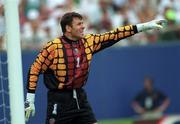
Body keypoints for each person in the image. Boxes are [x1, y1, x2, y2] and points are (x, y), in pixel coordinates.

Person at [25, 12, 167, 124]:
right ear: (68, 28)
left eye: (83, 23)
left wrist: (144, 26)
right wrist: (30, 99)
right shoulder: (53, 47)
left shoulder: (89, 41)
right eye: (79, 24)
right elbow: (34, 69)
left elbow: (115, 34)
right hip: (59, 100)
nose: (83, 27)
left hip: (80, 98)